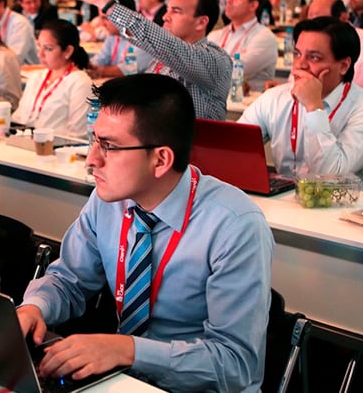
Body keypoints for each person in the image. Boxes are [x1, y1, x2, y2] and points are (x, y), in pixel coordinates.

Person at [18, 73, 273, 392]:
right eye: (95, 140)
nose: (92, 160)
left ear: (161, 159)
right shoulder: (107, 199)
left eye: (109, 146)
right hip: (124, 380)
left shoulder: (235, 225)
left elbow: (234, 365)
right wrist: (34, 307)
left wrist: (126, 350)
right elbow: (70, 279)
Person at [239, 17, 363, 189]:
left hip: (346, 212)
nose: (300, 65)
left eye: (314, 58)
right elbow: (233, 146)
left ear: (344, 66)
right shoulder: (275, 99)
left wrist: (313, 107)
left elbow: (329, 177)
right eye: (297, 54)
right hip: (287, 207)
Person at [76, 0, 232, 120]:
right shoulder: (161, 59)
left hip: (194, 146)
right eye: (168, 9)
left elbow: (163, 42)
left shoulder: (215, 60)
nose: (165, 17)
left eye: (176, 11)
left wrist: (105, 3)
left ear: (201, 22)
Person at [12, 20, 92, 138]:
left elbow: (77, 136)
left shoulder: (81, 83)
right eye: (39, 47)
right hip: (22, 144)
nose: (40, 54)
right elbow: (18, 118)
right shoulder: (36, 77)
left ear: (68, 51)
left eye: (48, 49)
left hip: (55, 150)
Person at [207, 0, 278, 92]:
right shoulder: (216, 35)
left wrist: (207, 64)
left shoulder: (264, 38)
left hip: (247, 107)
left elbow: (232, 71)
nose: (229, 0)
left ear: (253, 5)